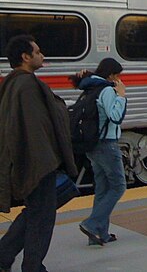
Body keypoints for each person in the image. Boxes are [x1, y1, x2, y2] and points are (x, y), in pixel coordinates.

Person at [0, 35, 77, 272]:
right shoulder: (27, 85)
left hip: (31, 163)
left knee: (35, 212)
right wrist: (47, 163)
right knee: (42, 218)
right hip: (38, 165)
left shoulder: (13, 84)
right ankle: (33, 267)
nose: (42, 55)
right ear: (26, 57)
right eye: (38, 51)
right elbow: (38, 128)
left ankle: (2, 256)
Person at [69, 58, 127, 246]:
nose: (118, 79)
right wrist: (121, 96)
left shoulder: (90, 87)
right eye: (117, 75)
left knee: (102, 188)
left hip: (93, 146)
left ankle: (101, 234)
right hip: (107, 145)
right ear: (111, 75)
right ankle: (92, 224)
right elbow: (115, 117)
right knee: (118, 186)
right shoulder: (108, 90)